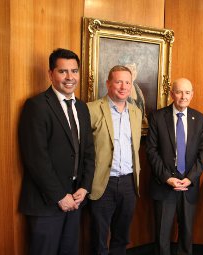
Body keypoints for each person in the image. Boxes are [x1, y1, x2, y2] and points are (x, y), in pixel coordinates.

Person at [18, 48, 95, 255]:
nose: (70, 77)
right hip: (47, 203)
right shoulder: (36, 106)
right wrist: (60, 196)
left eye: (74, 71)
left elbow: (88, 151)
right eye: (63, 71)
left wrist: (85, 187)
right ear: (51, 74)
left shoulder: (81, 107)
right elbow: (36, 159)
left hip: (76, 199)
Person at [146, 78, 203, 255]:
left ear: (192, 94)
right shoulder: (157, 117)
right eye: (179, 92)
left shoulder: (200, 119)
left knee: (187, 234)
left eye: (187, 92)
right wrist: (167, 178)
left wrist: (190, 178)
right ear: (172, 94)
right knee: (162, 235)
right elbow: (151, 151)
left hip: (189, 186)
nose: (183, 96)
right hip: (164, 185)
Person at [87, 65, 142, 255]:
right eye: (118, 81)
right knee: (99, 236)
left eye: (127, 82)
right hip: (102, 182)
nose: (123, 86)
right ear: (108, 83)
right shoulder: (91, 109)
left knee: (122, 236)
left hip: (128, 183)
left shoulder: (136, 112)